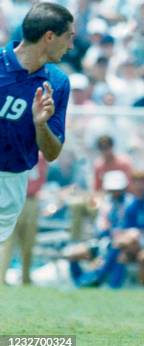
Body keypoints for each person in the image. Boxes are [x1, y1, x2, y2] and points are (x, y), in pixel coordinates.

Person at [0, 2, 74, 243]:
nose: (71, 46)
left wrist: (40, 124)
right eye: (69, 37)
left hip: (13, 181)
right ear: (50, 36)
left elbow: (51, 153)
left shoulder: (58, 83)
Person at [0, 154, 47, 285]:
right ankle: (1, 278)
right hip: (11, 199)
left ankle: (26, 278)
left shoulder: (40, 158)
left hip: (30, 200)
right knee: (7, 242)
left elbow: (40, 179)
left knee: (28, 243)